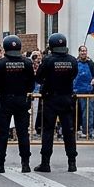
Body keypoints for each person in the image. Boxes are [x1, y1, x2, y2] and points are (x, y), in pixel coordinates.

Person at [0, 35, 34, 173]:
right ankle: (25, 164)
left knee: (2, 134)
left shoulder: (1, 63)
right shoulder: (27, 63)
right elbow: (31, 84)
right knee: (23, 134)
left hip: (5, 101)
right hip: (22, 101)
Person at [35, 33, 78, 172]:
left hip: (51, 99)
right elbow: (73, 75)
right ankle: (72, 163)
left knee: (48, 132)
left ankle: (45, 163)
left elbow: (39, 78)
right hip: (67, 98)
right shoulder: (72, 60)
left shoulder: (48, 60)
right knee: (68, 131)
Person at [73, 45, 94, 139]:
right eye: (82, 51)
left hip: (88, 91)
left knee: (88, 112)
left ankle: (88, 131)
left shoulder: (91, 63)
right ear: (79, 52)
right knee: (74, 112)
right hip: (75, 91)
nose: (83, 52)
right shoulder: (75, 63)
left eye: (85, 51)